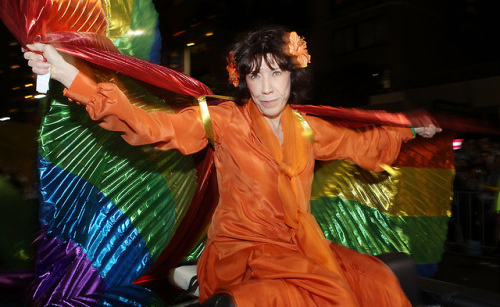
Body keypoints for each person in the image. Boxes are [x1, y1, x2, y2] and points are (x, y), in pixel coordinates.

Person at [24, 27, 440, 306]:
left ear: (293, 77)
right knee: (329, 293)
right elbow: (153, 125)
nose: (266, 87)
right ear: (242, 80)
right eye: (255, 75)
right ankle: (218, 287)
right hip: (245, 246)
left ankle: (202, 280)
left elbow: (363, 144)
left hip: (301, 245)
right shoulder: (222, 120)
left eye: (276, 73)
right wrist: (66, 74)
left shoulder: (308, 128)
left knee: (378, 280)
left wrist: (408, 131)